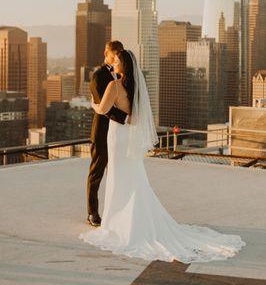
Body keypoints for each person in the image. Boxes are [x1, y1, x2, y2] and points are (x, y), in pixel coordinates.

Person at [79, 50, 245, 263]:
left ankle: (117, 222)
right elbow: (134, 116)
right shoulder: (136, 88)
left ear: (123, 65)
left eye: (118, 60)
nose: (115, 63)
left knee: (118, 177)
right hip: (127, 136)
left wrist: (92, 102)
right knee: (132, 178)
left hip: (118, 138)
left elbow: (102, 109)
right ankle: (132, 219)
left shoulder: (114, 86)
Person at [87, 40, 128, 227]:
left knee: (118, 173)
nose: (117, 57)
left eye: (119, 54)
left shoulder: (123, 75)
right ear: (106, 53)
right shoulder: (98, 76)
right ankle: (93, 213)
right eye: (114, 54)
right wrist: (126, 118)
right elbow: (105, 109)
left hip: (118, 134)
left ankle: (117, 211)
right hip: (102, 132)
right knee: (96, 174)